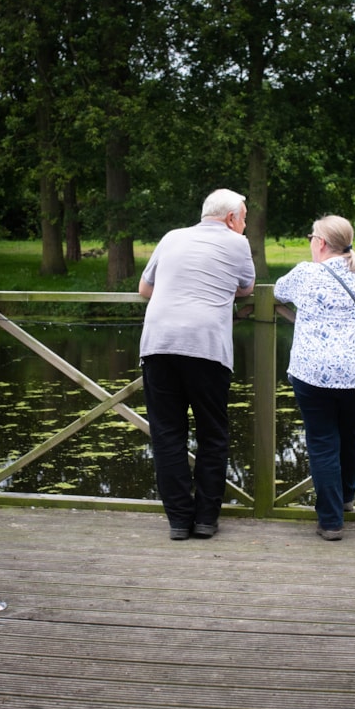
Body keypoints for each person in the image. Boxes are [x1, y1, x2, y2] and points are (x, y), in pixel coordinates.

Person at [274, 215, 355, 541]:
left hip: (313, 375)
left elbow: (277, 292)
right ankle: (346, 499)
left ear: (319, 242)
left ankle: (331, 521)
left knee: (322, 444)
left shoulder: (305, 274)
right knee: (349, 436)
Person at [139, 189, 255, 540]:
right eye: (245, 217)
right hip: (206, 346)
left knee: (167, 433)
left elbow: (146, 289)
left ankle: (178, 521)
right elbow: (247, 289)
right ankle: (205, 519)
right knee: (212, 435)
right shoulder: (238, 243)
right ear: (233, 218)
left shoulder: (172, 237)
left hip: (159, 343)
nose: (245, 223)